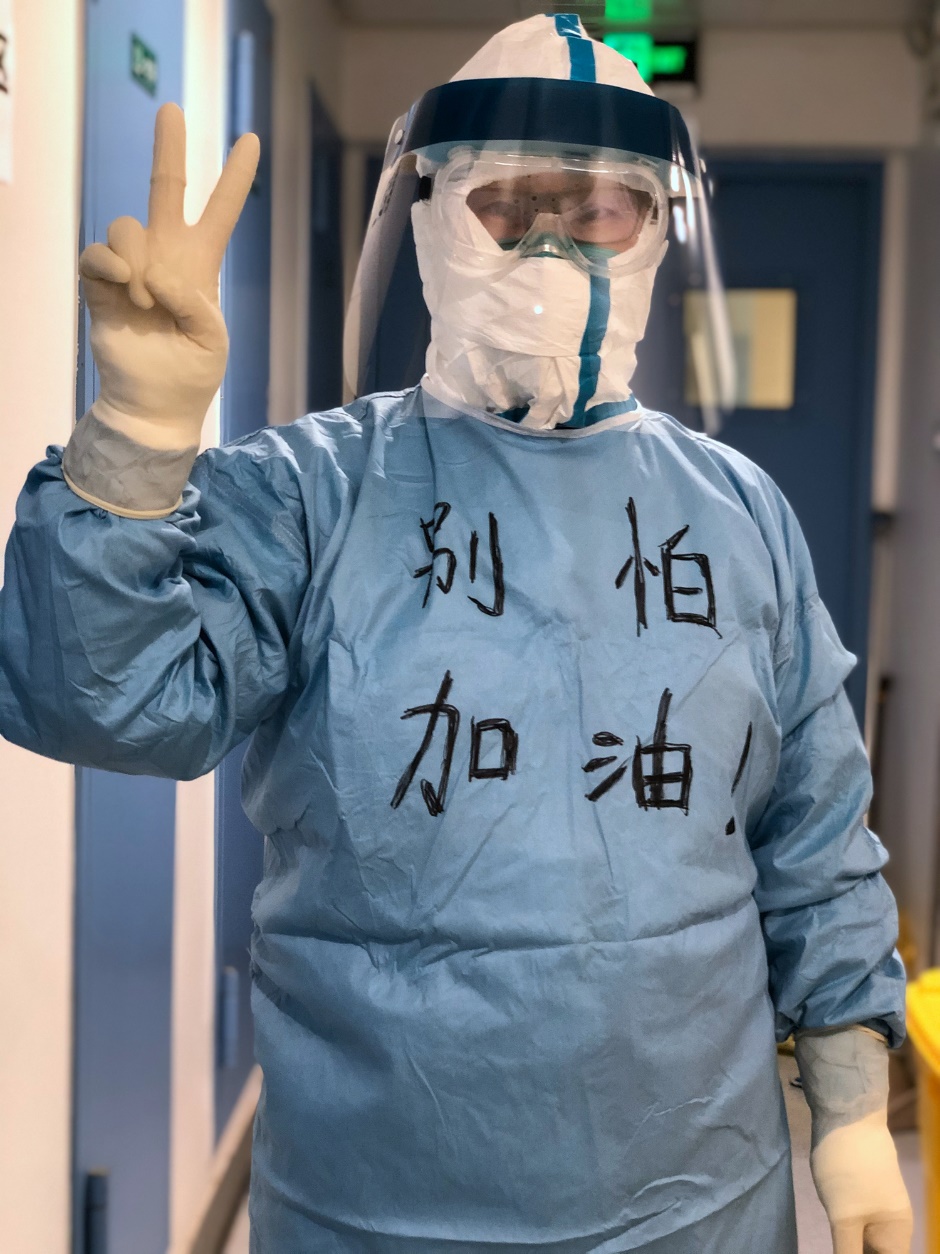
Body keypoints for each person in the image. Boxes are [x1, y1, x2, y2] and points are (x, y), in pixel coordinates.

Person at [0, 14, 914, 1253]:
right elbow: (101, 702)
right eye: (508, 205)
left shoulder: (737, 512)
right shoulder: (310, 495)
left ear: (655, 229)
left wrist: (852, 1120)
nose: (552, 245)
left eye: (597, 211)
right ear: (435, 218)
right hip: (374, 1208)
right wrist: (136, 441)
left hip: (692, 1204)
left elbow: (813, 835)